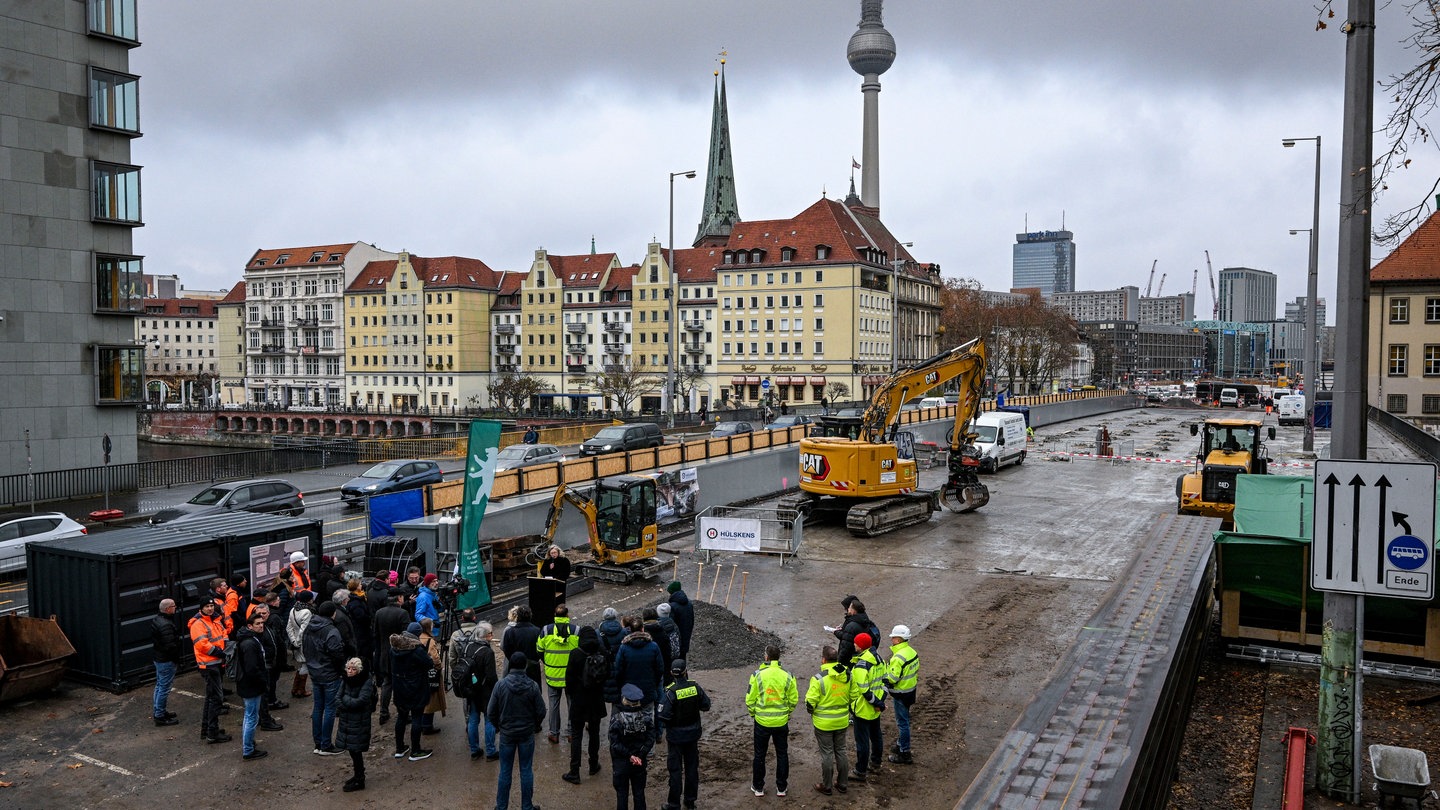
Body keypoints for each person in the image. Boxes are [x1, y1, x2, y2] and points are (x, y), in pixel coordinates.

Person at [488, 651, 546, 810]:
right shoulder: (533, 686)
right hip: (526, 733)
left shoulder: (500, 685)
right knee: (526, 770)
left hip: (507, 733)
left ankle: (501, 807)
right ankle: (527, 806)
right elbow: (541, 711)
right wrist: (534, 725)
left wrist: (499, 726)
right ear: (525, 666)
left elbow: (491, 711)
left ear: (511, 665)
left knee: (505, 771)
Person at [658, 658, 711, 810]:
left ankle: (674, 803)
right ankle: (690, 800)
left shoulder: (670, 692)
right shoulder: (694, 687)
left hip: (675, 737)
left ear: (671, 673)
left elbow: (662, 715)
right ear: (685, 671)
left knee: (675, 771)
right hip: (692, 735)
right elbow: (706, 705)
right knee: (691, 769)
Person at [746, 644, 798, 798]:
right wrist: (787, 713)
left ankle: (758, 787)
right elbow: (794, 699)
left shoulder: (757, 675)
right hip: (781, 722)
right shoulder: (788, 675)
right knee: (782, 754)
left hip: (762, 722)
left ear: (766, 657)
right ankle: (781, 788)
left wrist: (753, 714)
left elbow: (750, 699)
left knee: (760, 755)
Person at [562, 625, 608, 784]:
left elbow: (568, 679)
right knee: (594, 733)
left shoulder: (576, 654)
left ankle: (575, 771)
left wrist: (572, 694)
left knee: (576, 735)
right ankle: (593, 764)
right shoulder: (601, 652)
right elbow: (607, 674)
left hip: (579, 700)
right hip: (596, 699)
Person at [302, 600, 346, 756]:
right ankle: (326, 745)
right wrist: (342, 670)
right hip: (330, 674)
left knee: (318, 708)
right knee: (329, 709)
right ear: (333, 613)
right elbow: (337, 654)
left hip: (315, 672)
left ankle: (318, 743)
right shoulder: (331, 631)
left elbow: (304, 647)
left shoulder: (309, 627)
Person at [805, 645, 851, 796]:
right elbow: (854, 695)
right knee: (841, 751)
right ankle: (843, 784)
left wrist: (812, 712)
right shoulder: (847, 674)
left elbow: (810, 702)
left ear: (823, 659)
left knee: (827, 754)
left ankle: (827, 786)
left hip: (823, 723)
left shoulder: (819, 678)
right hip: (842, 720)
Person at [452, 617, 500, 761]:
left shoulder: (467, 647)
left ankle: (474, 749)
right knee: (489, 719)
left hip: (471, 690)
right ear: (486, 636)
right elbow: (491, 676)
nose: (492, 636)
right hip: (485, 692)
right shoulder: (487, 652)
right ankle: (490, 751)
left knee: (473, 720)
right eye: (491, 633)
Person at [390, 622, 434, 761]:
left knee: (401, 717)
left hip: (399, 687)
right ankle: (416, 750)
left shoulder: (394, 647)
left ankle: (400, 748)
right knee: (416, 718)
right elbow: (429, 664)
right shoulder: (416, 650)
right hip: (415, 687)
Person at [188, 599, 230, 744]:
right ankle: (212, 732)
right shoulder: (198, 624)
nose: (210, 608)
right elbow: (202, 644)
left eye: (212, 606)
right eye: (207, 606)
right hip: (209, 665)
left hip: (216, 663)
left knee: (211, 697)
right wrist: (220, 652)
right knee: (216, 699)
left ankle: (208, 730)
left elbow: (224, 634)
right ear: (201, 608)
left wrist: (225, 648)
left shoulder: (215, 620)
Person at [537, 604, 578, 744]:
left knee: (554, 703)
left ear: (555, 616)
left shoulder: (546, 630)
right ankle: (572, 733)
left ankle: (554, 733)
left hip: (552, 674)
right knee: (572, 703)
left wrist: (547, 662)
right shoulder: (576, 630)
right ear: (567, 616)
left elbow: (539, 650)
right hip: (571, 675)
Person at [610, 683, 655, 810]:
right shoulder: (646, 719)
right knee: (639, 793)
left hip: (622, 763)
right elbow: (650, 739)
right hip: (639, 762)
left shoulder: (618, 719)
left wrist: (629, 756)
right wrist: (640, 755)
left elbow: (614, 743)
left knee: (622, 794)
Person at [848, 633, 885, 781]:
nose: (854, 645)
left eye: (856, 643)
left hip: (863, 709)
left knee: (862, 742)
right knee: (876, 736)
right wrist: (880, 703)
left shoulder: (861, 666)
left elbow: (864, 690)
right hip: (875, 708)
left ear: (861, 646)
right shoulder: (879, 660)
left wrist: (876, 703)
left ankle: (860, 770)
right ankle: (876, 762)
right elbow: (884, 682)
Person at [234, 611, 271, 761]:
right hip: (251, 686)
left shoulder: (251, 639)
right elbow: (252, 669)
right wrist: (263, 681)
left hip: (249, 684)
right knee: (251, 718)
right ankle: (248, 749)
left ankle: (248, 746)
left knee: (249, 716)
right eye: (258, 624)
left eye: (262, 623)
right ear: (250, 626)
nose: (261, 626)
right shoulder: (249, 643)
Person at [335, 657, 376, 792]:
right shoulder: (345, 680)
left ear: (359, 671)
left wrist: (345, 701)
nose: (350, 671)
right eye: (348, 668)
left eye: (353, 669)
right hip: (347, 721)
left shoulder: (366, 682)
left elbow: (360, 701)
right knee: (352, 751)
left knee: (356, 751)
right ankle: (358, 775)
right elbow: (337, 698)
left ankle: (360, 778)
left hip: (359, 722)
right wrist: (346, 703)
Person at [883, 624, 919, 764]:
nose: (892, 640)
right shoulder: (912, 652)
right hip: (910, 691)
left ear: (898, 639)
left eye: (893, 637)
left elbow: (892, 678)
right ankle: (900, 744)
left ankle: (904, 752)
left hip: (900, 693)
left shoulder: (898, 657)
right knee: (904, 721)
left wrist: (884, 676)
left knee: (902, 723)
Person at [371, 591, 410, 724]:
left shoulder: (379, 613)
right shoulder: (403, 613)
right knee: (402, 684)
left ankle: (383, 712)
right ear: (399, 598)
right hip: (399, 654)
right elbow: (406, 636)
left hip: (384, 653)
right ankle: (403, 712)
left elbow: (375, 634)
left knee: (387, 684)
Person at [613, 616, 663, 708]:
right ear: (642, 629)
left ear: (630, 630)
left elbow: (618, 670)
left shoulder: (624, 647)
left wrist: (622, 686)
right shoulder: (653, 646)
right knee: (649, 715)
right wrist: (654, 683)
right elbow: (659, 668)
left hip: (630, 690)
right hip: (649, 688)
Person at [150, 598, 180, 726]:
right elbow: (170, 646)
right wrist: (176, 659)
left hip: (159, 658)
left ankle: (158, 711)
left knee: (159, 686)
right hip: (166, 661)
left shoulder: (157, 620)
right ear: (168, 609)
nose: (175, 608)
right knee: (164, 688)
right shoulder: (166, 624)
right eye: (174, 606)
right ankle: (160, 716)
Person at [418, 617, 448, 734]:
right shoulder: (430, 641)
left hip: (420, 673)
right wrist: (439, 667)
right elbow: (435, 658)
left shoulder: (418, 638)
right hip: (430, 674)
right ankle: (427, 725)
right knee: (431, 701)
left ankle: (422, 723)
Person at [502, 605, 543, 686]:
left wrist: (513, 659)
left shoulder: (510, 632)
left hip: (515, 667)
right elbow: (540, 649)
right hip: (533, 667)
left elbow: (506, 650)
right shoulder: (537, 631)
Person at [286, 590, 315, 698]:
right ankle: (300, 690)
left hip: (297, 642)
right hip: (305, 643)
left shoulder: (293, 609)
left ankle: (296, 689)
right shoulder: (307, 612)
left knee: (302, 665)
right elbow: (304, 630)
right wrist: (298, 642)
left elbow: (289, 628)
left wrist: (293, 641)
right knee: (305, 665)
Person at [833, 597, 875, 667]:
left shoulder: (852, 626)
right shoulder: (864, 619)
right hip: (860, 656)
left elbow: (845, 647)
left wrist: (839, 662)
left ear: (853, 611)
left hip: (850, 660)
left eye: (849, 608)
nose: (847, 609)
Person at [665, 582, 694, 659]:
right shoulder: (689, 603)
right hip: (686, 634)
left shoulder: (673, 607)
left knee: (676, 660)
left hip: (677, 638)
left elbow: (671, 624)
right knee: (683, 658)